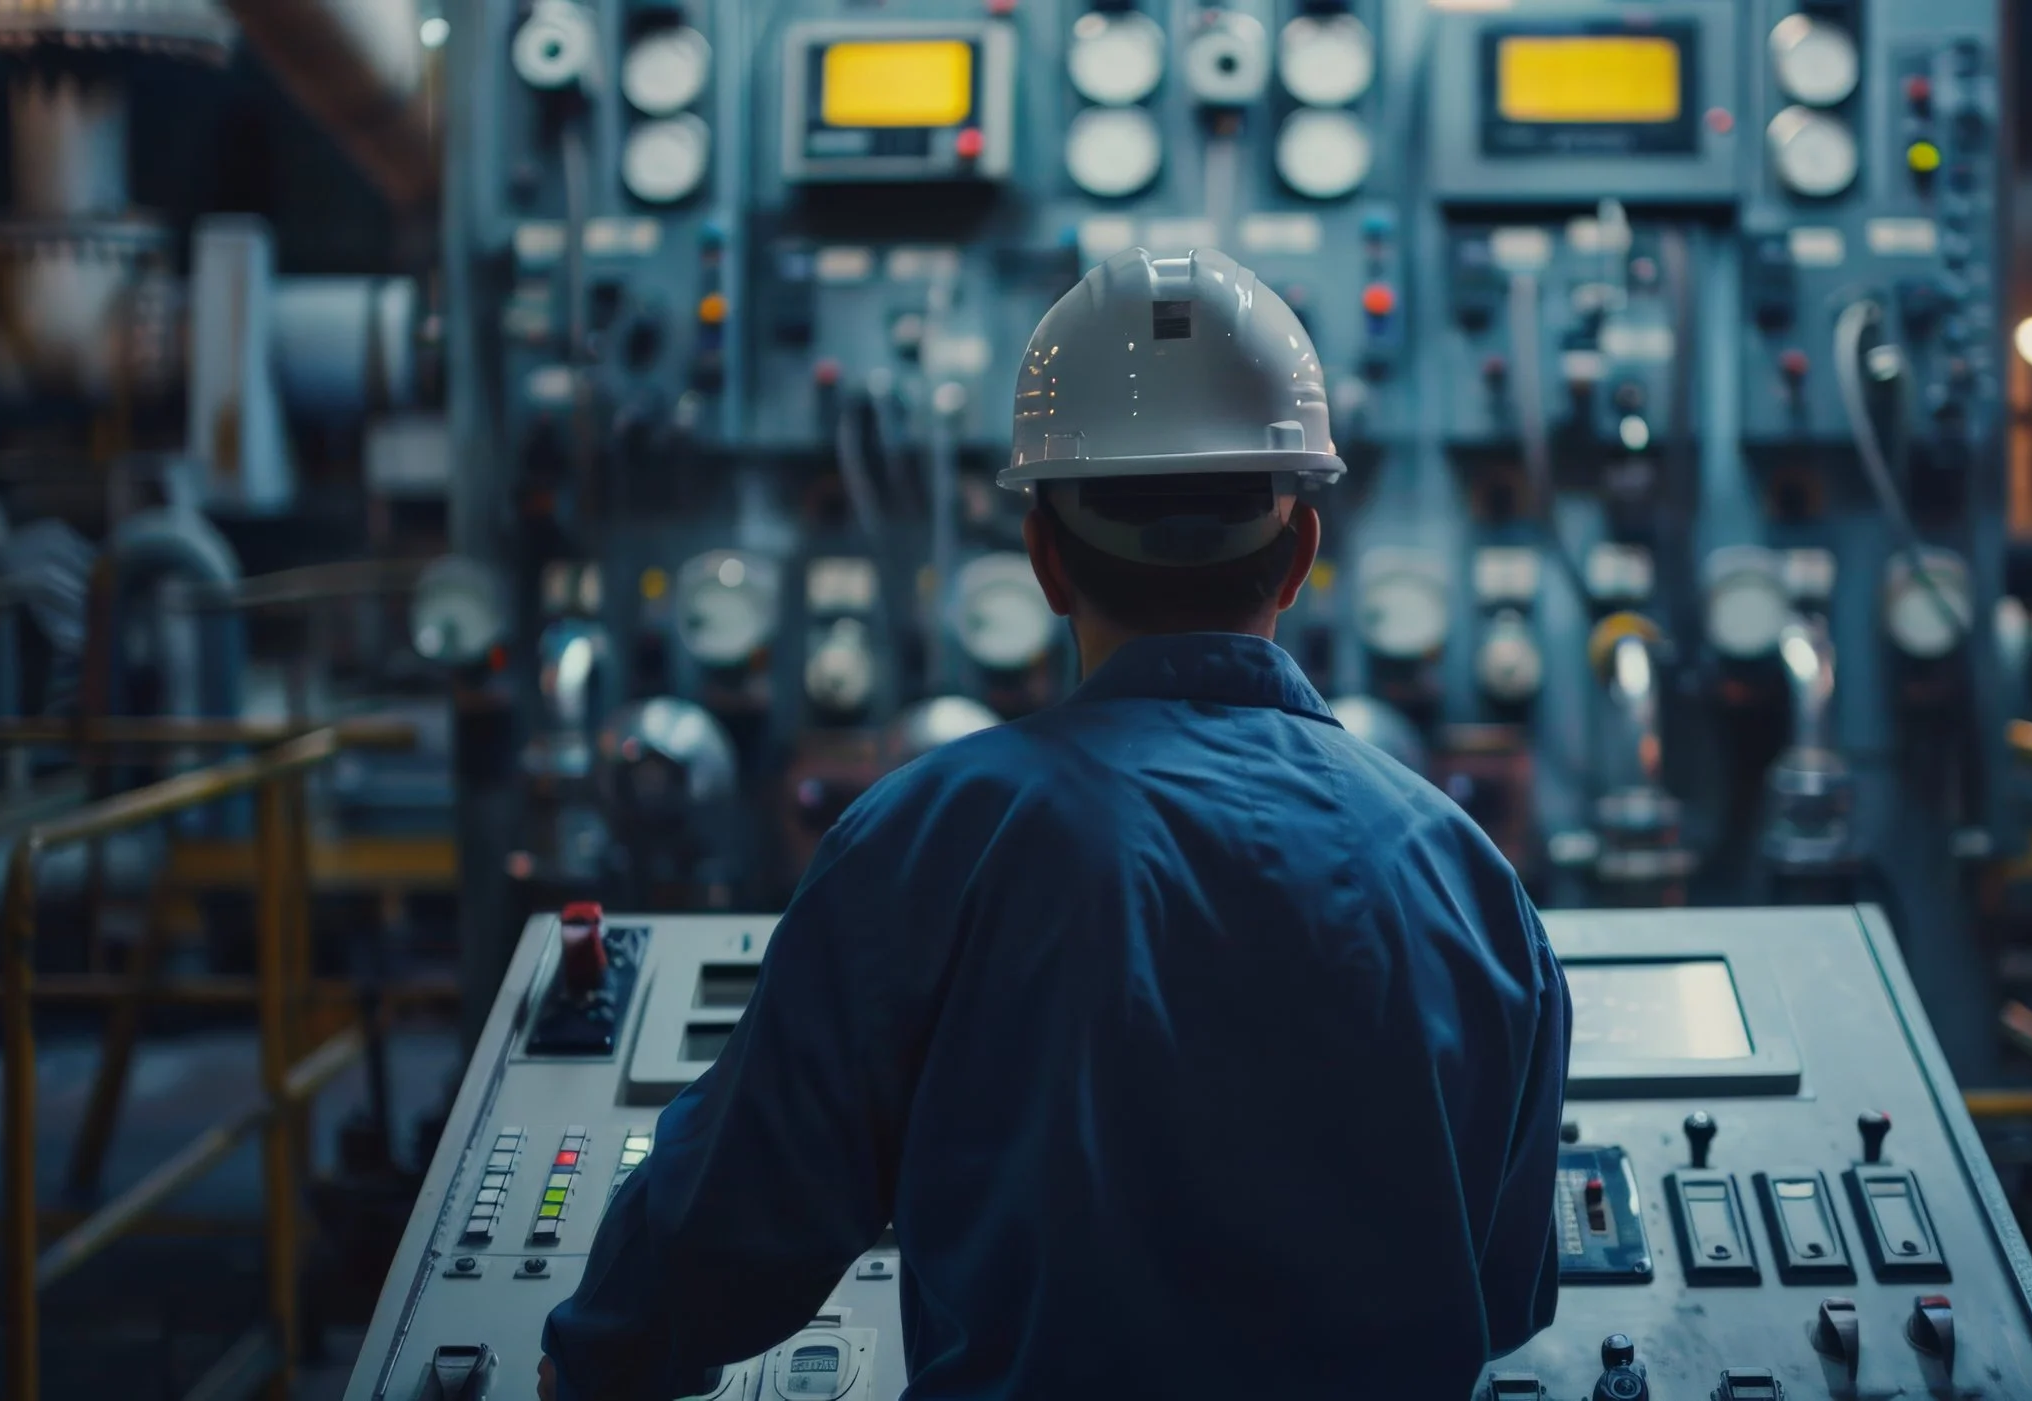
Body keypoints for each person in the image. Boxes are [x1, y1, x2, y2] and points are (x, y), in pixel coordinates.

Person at [539, 248, 1570, 1400]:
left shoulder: (925, 847)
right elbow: (1510, 1293)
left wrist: (592, 1356)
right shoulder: (1468, 886)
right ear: (1299, 556)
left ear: (1042, 560)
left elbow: (720, 1236)